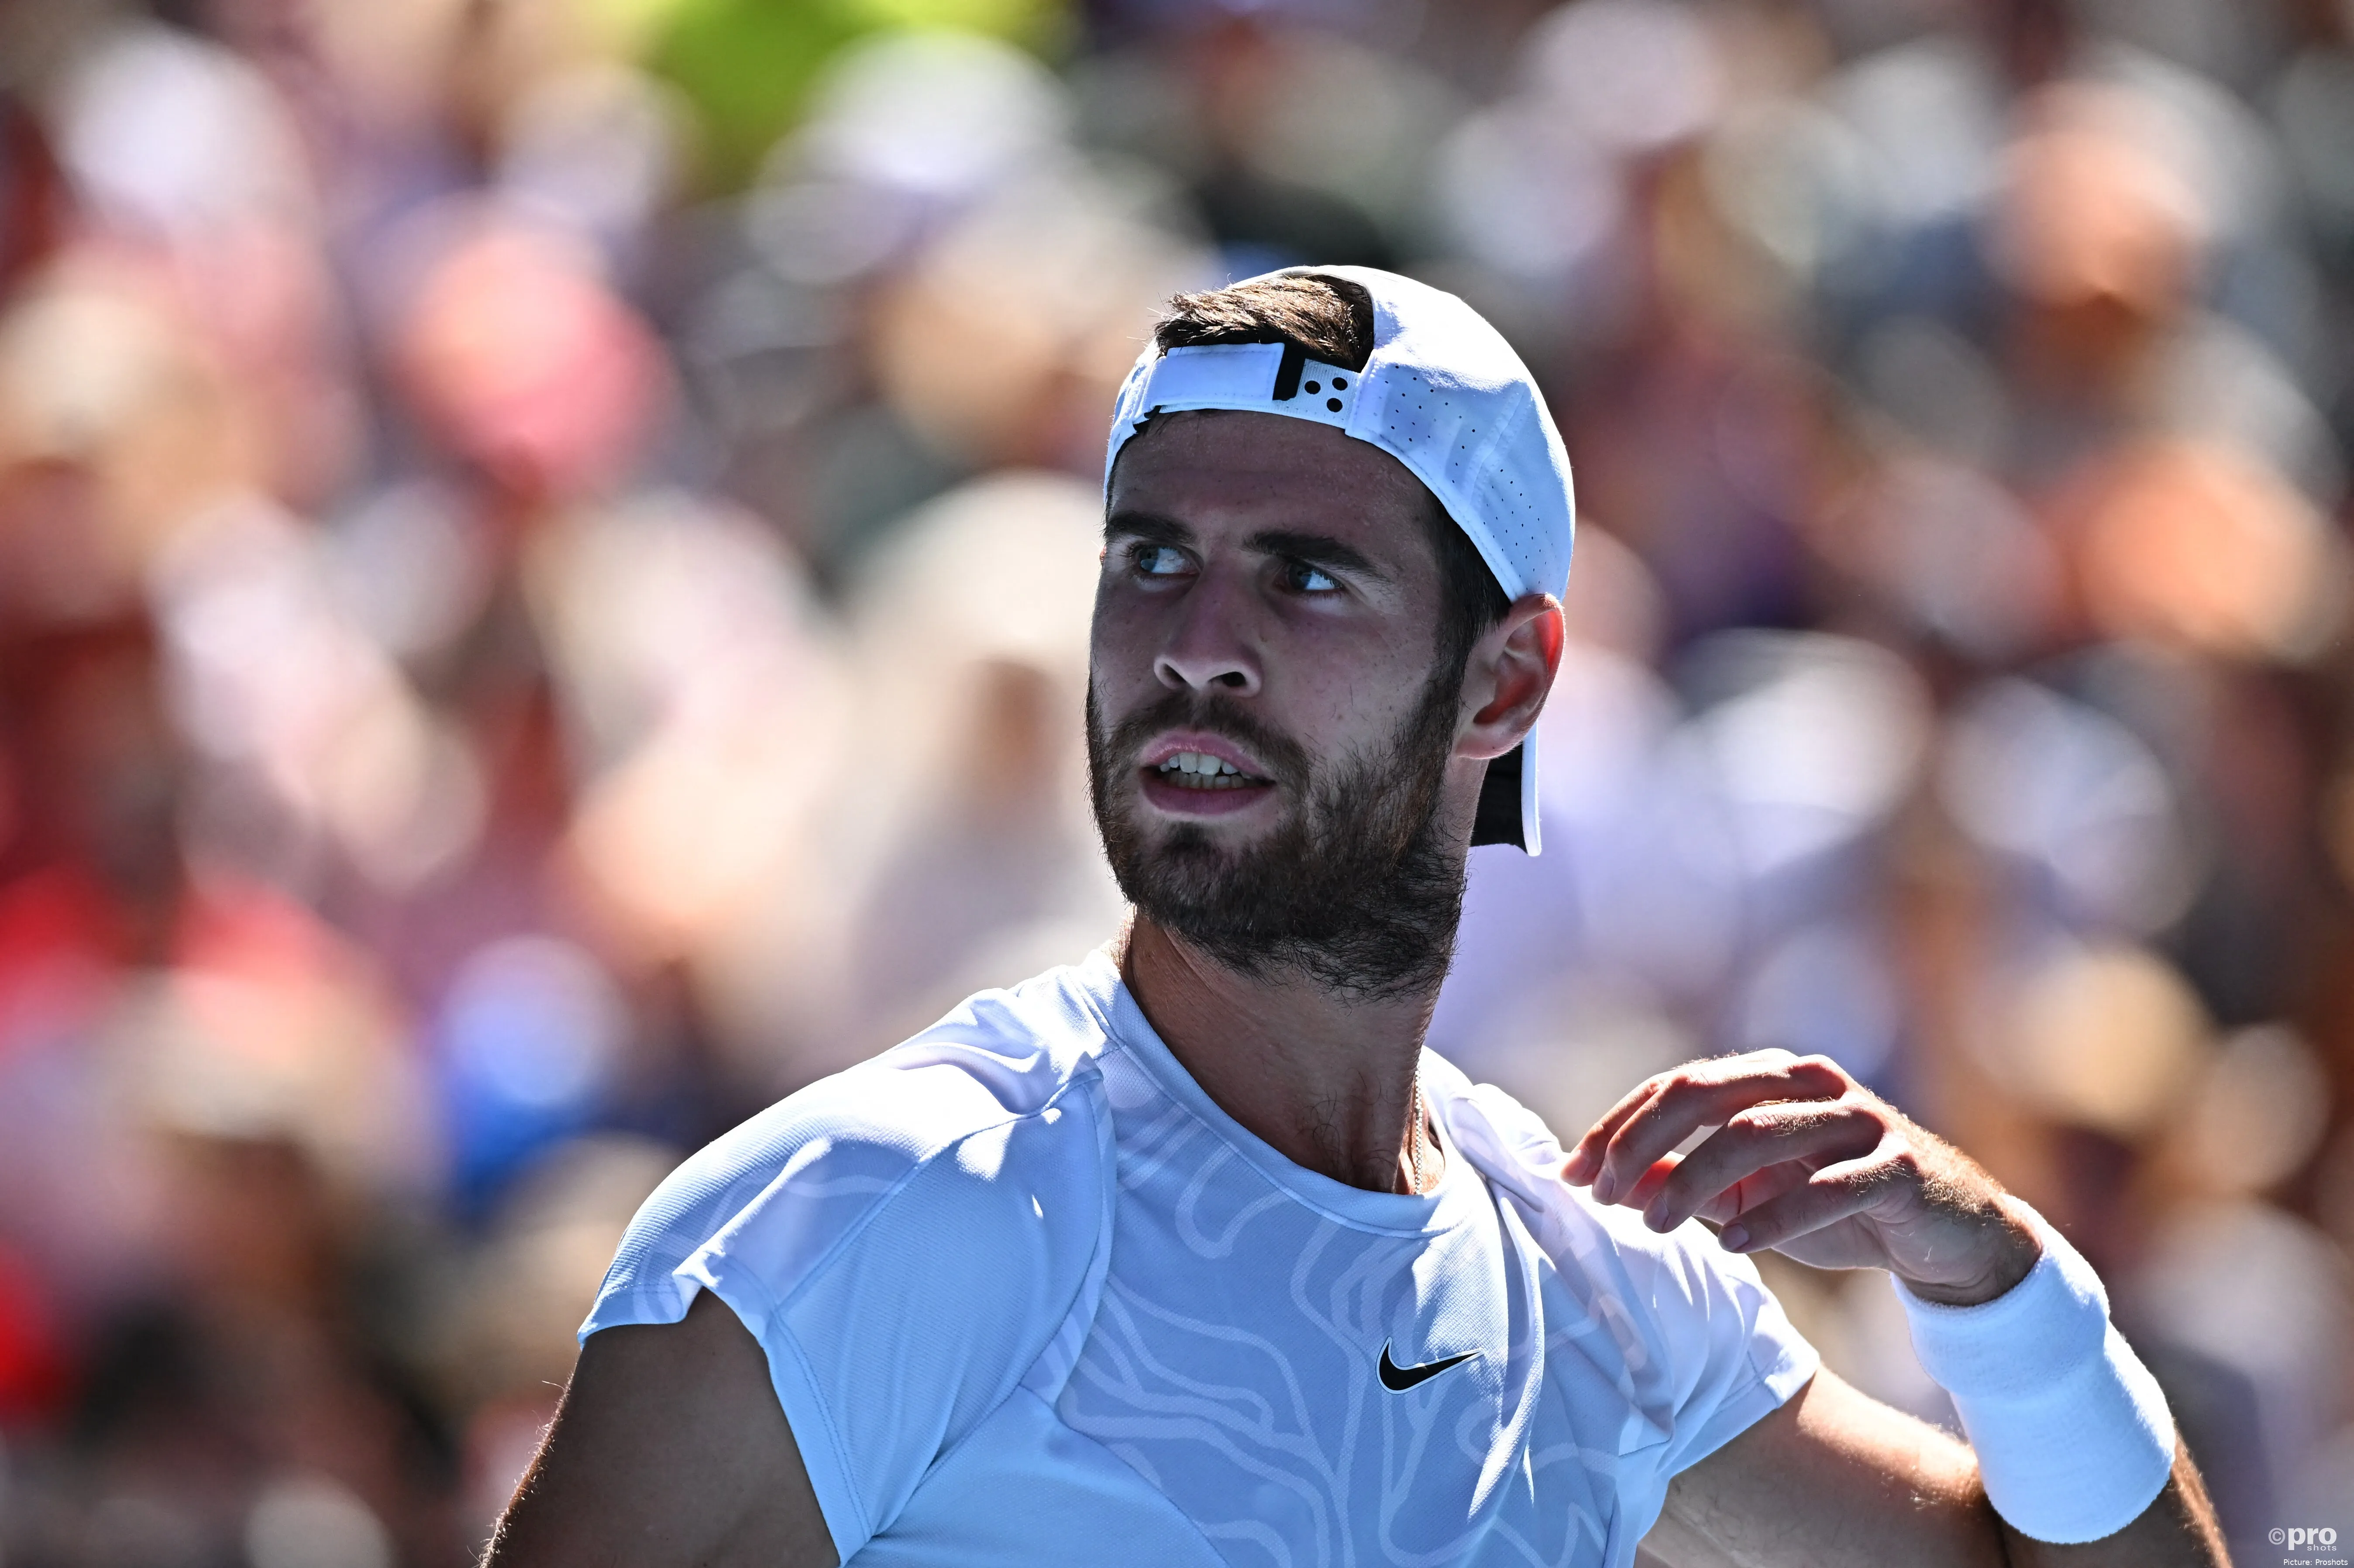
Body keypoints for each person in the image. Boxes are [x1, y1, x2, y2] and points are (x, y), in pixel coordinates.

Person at [484, 268, 2230, 1567]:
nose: (1194, 643)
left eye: (1304, 575)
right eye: (1148, 559)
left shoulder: (1592, 1291)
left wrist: (1987, 1264)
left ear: (1506, 681)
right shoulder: (877, 1212)